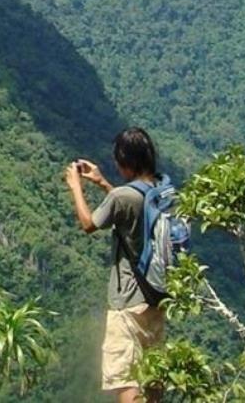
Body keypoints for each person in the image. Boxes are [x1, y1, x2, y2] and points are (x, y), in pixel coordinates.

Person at [65, 128, 165, 402]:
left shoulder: (122, 197)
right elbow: (128, 209)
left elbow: (89, 223)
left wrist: (76, 186)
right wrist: (102, 183)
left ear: (127, 163)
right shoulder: (161, 193)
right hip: (157, 301)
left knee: (127, 380)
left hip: (128, 304)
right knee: (153, 378)